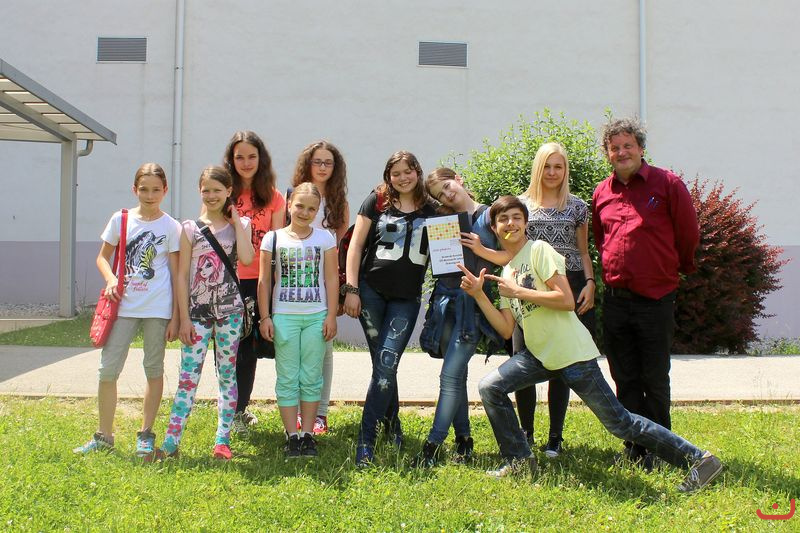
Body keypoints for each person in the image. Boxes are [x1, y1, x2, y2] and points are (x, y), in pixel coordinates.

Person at [459, 196, 721, 493]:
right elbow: (507, 329)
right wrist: (479, 295)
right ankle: (520, 460)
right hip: (539, 356)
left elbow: (565, 300)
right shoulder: (507, 272)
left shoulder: (539, 250)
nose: (511, 224)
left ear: (526, 223)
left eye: (516, 217)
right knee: (490, 387)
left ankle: (700, 460)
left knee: (620, 423)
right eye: (503, 219)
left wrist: (519, 292)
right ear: (494, 228)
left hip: (572, 355)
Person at [592, 118, 700, 465]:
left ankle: (664, 450)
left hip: (655, 299)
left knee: (654, 378)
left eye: (628, 145)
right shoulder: (601, 192)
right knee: (624, 377)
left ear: (640, 148)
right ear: (607, 154)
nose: (622, 152)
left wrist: (670, 270)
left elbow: (688, 235)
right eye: (615, 148)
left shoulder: (668, 184)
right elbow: (601, 239)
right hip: (616, 301)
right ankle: (635, 449)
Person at [74, 163, 182, 460]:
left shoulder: (171, 226)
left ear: (165, 191)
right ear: (135, 189)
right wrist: (110, 279)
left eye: (156, 189)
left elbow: (176, 274)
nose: (150, 195)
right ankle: (104, 436)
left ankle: (146, 435)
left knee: (153, 370)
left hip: (158, 308)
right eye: (144, 189)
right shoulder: (120, 219)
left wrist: (176, 316)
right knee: (107, 370)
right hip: (123, 306)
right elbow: (102, 258)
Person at [342, 150, 437, 467]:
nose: (402, 178)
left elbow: (448, 249)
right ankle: (389, 427)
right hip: (371, 293)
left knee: (386, 363)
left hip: (406, 299)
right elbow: (356, 246)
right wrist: (351, 289)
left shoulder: (433, 209)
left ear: (418, 172)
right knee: (384, 365)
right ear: (388, 176)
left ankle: (366, 440)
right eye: (396, 173)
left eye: (408, 171)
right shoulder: (377, 200)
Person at [159, 166, 254, 461]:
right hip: (197, 315)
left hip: (230, 313)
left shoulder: (242, 225)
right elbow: (182, 274)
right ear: (199, 192)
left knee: (227, 376)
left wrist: (236, 221)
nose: (211, 196)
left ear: (229, 192)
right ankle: (171, 441)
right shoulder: (189, 228)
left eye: (217, 190)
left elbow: (247, 259)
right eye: (206, 190)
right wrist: (183, 318)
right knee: (188, 378)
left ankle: (222, 440)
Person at [414, 168, 504, 467]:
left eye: (448, 185)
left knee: (449, 376)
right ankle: (464, 439)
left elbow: (509, 255)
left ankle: (432, 446)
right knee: (458, 375)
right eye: (440, 194)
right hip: (445, 301)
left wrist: (480, 248)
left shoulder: (490, 214)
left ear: (459, 179)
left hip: (472, 306)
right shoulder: (443, 220)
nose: (447, 194)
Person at [515, 142, 596, 458]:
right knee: (523, 361)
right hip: (529, 287)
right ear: (538, 168)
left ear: (565, 170)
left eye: (558, 166)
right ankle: (525, 434)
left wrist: (590, 283)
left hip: (568, 285)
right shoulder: (521, 205)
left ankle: (555, 437)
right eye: (547, 166)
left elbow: (584, 252)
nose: (552, 172)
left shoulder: (578, 207)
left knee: (561, 363)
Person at [258, 182, 338, 458]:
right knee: (288, 377)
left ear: (318, 211)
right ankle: (292, 436)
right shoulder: (273, 239)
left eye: (311, 209)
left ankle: (308, 435)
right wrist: (265, 317)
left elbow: (330, 279)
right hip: (284, 317)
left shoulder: (325, 238)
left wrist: (331, 315)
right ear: (289, 204)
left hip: (316, 316)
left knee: (312, 377)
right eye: (300, 206)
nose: (305, 213)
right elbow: (264, 281)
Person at [223, 131, 285, 437]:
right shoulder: (224, 193)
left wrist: (273, 286)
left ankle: (239, 409)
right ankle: (229, 410)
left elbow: (277, 245)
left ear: (261, 159)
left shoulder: (274, 197)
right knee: (228, 349)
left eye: (251, 156)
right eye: (239, 157)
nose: (246, 162)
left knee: (249, 348)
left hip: (258, 282)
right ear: (231, 160)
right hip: (226, 281)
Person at [289, 140, 349, 435]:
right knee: (297, 351)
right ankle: (299, 412)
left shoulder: (339, 202)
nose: (323, 167)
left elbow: (342, 248)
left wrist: (341, 291)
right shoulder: (293, 196)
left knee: (323, 348)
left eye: (329, 163)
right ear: (307, 164)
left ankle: (320, 413)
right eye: (318, 162)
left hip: (324, 283)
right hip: (294, 283)